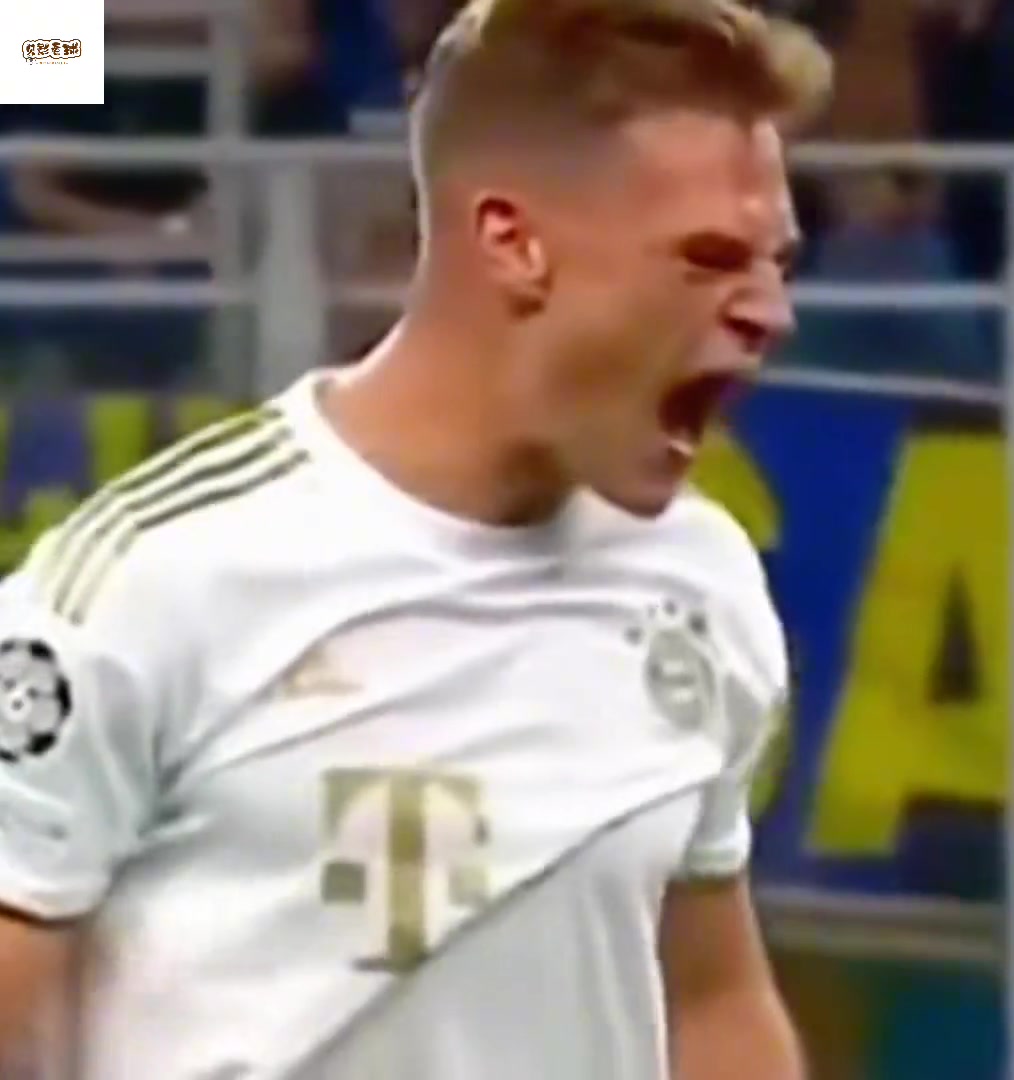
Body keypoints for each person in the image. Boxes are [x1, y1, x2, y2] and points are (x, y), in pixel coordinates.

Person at [0, 0, 831, 1077]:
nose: (770, 312)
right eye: (709, 258)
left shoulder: (704, 581)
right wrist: (87, 37)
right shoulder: (143, 587)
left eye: (779, 263)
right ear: (512, 243)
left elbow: (710, 997)